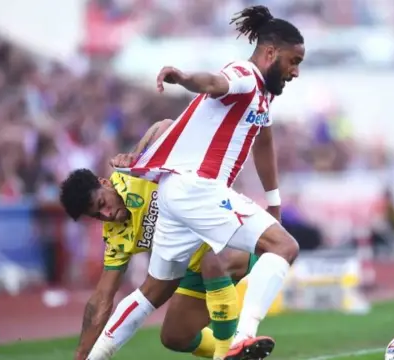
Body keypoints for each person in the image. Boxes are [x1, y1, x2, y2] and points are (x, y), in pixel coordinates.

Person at [88, 5, 304, 360]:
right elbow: (214, 84)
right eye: (293, 61)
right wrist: (184, 78)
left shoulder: (262, 97)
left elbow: (262, 143)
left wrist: (274, 200)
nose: (296, 72)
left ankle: (96, 357)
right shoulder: (245, 74)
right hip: (198, 188)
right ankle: (242, 337)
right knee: (284, 247)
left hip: (176, 194)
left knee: (153, 290)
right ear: (270, 53)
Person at [60, 120, 257, 360]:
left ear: (104, 183)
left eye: (102, 204)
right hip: (195, 267)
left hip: (227, 236)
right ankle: (240, 351)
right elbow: (102, 298)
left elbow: (166, 125)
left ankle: (228, 353)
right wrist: (81, 353)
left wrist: (136, 154)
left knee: (211, 262)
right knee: (174, 337)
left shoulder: (135, 173)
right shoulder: (116, 237)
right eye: (96, 215)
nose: (107, 215)